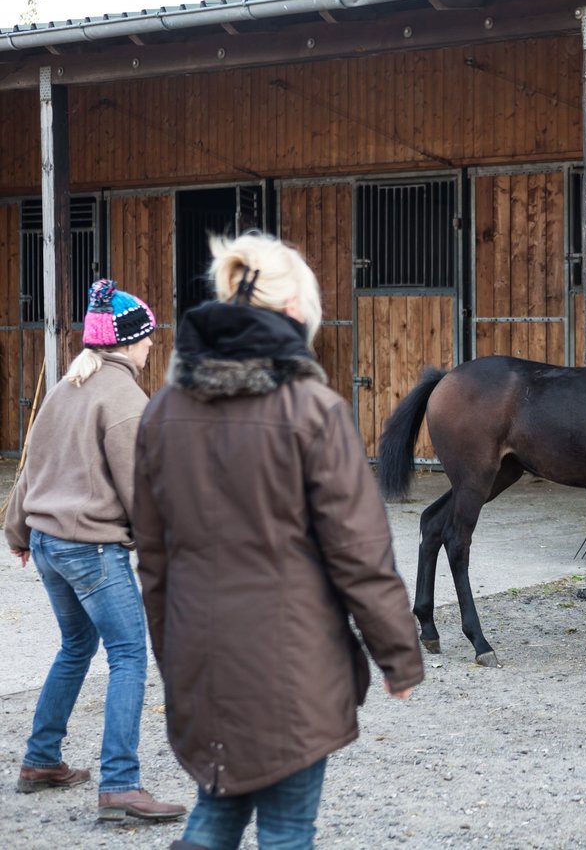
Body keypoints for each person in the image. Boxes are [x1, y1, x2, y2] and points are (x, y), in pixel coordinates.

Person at [133, 231, 424, 850]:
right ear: (294, 312)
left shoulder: (160, 412)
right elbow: (359, 552)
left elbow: (153, 561)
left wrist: (173, 651)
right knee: (288, 830)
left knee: (216, 813)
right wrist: (398, 654)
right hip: (290, 665)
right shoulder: (313, 410)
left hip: (201, 660)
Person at [5, 280, 187, 823]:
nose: (153, 345)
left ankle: (40, 759)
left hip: (47, 544)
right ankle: (121, 786)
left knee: (76, 645)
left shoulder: (65, 387)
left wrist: (17, 531)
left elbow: (31, 465)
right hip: (91, 549)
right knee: (130, 653)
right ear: (128, 342)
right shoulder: (126, 399)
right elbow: (143, 491)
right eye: (148, 337)